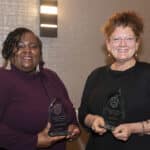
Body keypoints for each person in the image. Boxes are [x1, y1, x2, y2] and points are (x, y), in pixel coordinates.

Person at [78, 11, 150, 150]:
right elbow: (83, 114)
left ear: (137, 44)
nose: (122, 44)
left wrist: (134, 128)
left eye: (129, 38)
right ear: (108, 45)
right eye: (116, 39)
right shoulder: (95, 76)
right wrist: (92, 120)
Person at [0, 27, 80, 150]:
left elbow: (69, 112)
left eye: (33, 46)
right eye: (20, 46)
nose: (27, 50)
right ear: (10, 51)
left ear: (39, 53)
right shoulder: (3, 78)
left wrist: (73, 127)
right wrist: (34, 142)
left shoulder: (51, 77)